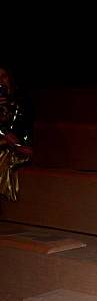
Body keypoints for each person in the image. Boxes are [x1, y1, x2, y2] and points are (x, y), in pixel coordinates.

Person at [0, 65, 33, 201]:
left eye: (3, 76)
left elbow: (20, 135)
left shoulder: (21, 103)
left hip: (15, 149)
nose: (0, 81)